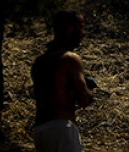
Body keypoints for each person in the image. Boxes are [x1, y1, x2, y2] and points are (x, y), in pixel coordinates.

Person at [31, 10, 95, 152]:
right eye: (81, 27)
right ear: (69, 29)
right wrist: (87, 88)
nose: (83, 33)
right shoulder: (70, 59)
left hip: (40, 132)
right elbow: (84, 100)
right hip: (62, 130)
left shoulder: (40, 61)